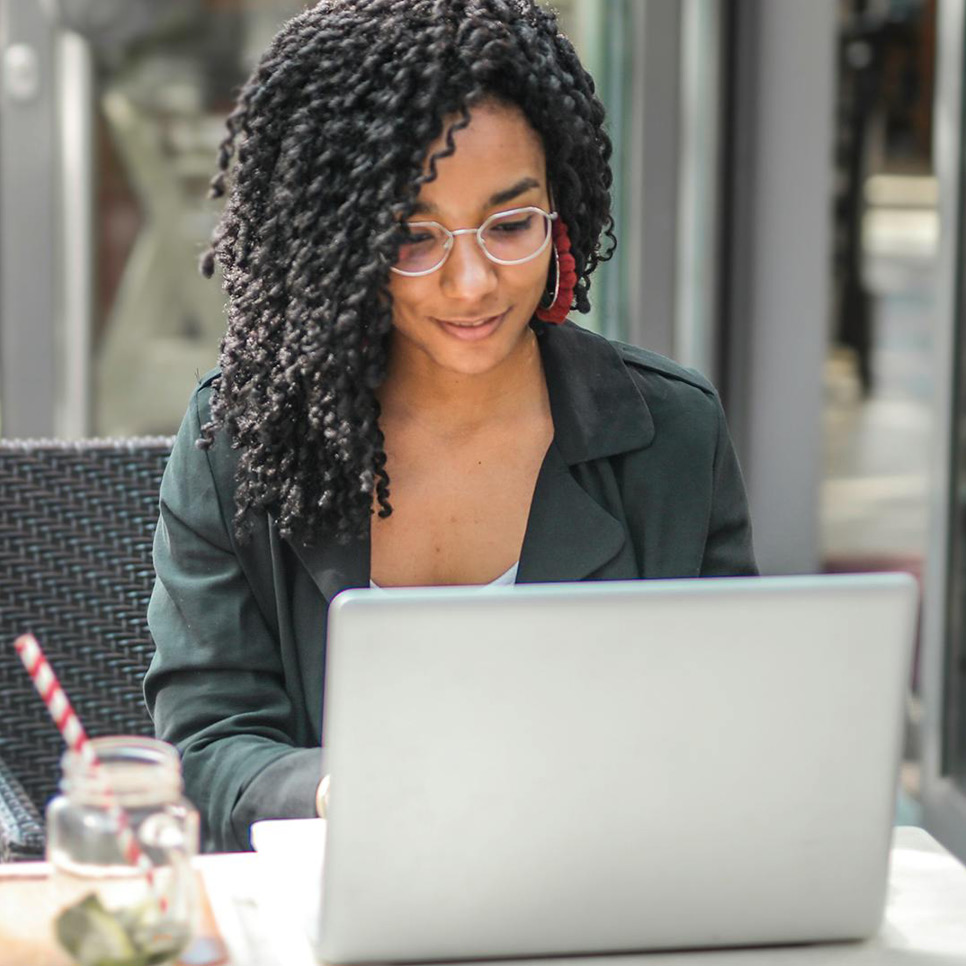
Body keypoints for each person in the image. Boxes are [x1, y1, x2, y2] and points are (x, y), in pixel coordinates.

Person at [144, 0, 757, 853]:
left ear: (562, 209)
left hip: (605, 895)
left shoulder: (671, 433)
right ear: (339, 241)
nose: (472, 283)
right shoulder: (240, 437)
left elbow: (731, 729)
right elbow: (207, 746)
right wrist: (333, 792)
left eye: (510, 225)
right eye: (411, 238)